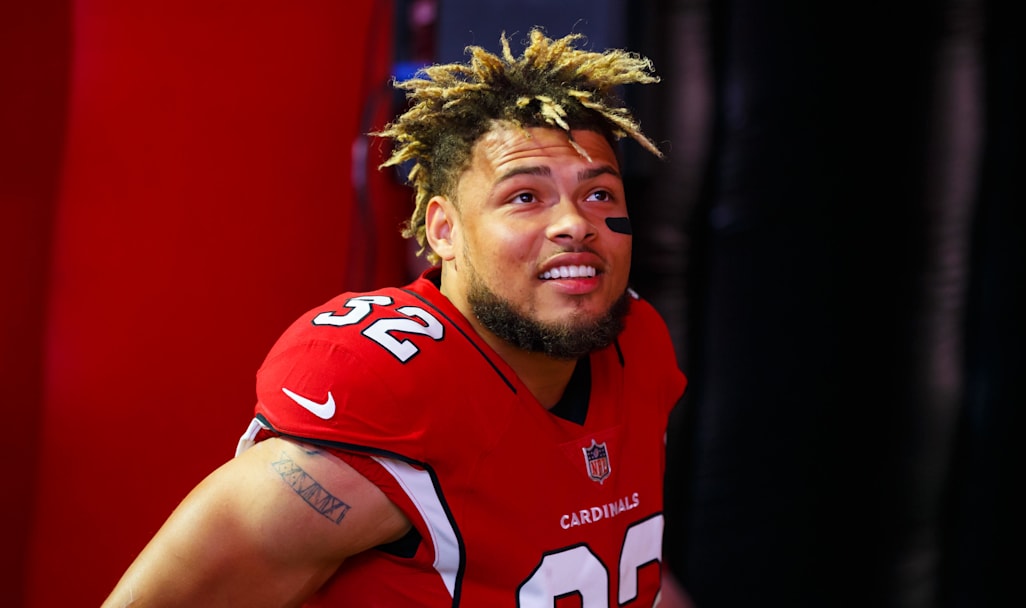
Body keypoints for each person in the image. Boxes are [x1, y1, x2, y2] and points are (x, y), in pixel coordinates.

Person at [103, 28, 686, 607]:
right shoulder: (397, 392)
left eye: (600, 195)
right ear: (444, 231)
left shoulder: (636, 341)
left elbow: (608, 562)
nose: (575, 223)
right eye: (525, 197)